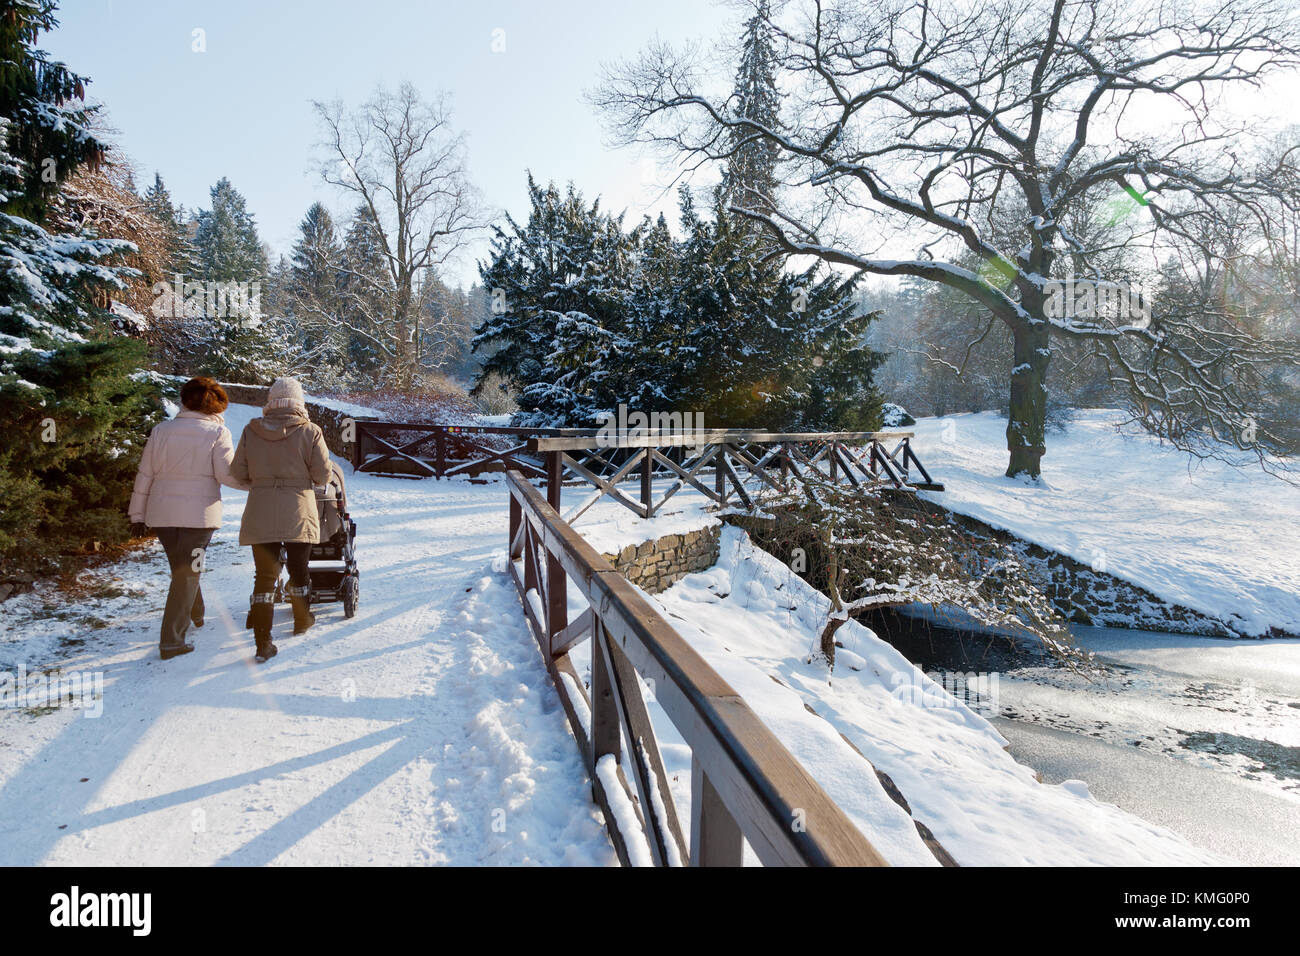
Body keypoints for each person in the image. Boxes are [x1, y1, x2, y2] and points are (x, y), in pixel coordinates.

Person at [129, 377, 248, 660]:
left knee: (182, 570)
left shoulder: (161, 431)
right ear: (218, 405)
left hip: (163, 516)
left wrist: (137, 513)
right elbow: (227, 475)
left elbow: (145, 473)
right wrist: (257, 484)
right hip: (199, 519)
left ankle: (196, 612)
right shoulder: (218, 434)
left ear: (185, 400)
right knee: (187, 573)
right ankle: (171, 641)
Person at [231, 376, 331, 663]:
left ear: (271, 401)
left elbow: (238, 472)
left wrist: (263, 479)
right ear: (299, 402)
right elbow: (323, 475)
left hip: (261, 508)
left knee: (265, 576)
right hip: (297, 508)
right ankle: (302, 618)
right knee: (299, 569)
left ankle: (263, 642)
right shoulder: (310, 431)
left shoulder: (251, 430)